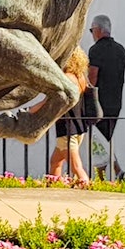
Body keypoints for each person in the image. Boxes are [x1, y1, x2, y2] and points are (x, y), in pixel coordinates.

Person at [31, 47, 93, 185]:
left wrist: (30, 110)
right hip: (78, 128)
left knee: (77, 168)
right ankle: (54, 187)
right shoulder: (80, 77)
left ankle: (89, 193)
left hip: (67, 131)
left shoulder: (66, 79)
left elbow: (48, 101)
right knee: (55, 162)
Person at [87, 14, 125, 180]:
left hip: (99, 103)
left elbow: (93, 77)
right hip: (116, 103)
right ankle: (118, 172)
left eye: (92, 30)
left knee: (99, 141)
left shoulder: (96, 50)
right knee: (105, 139)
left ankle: (103, 177)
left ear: (98, 30)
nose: (92, 34)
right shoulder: (121, 50)